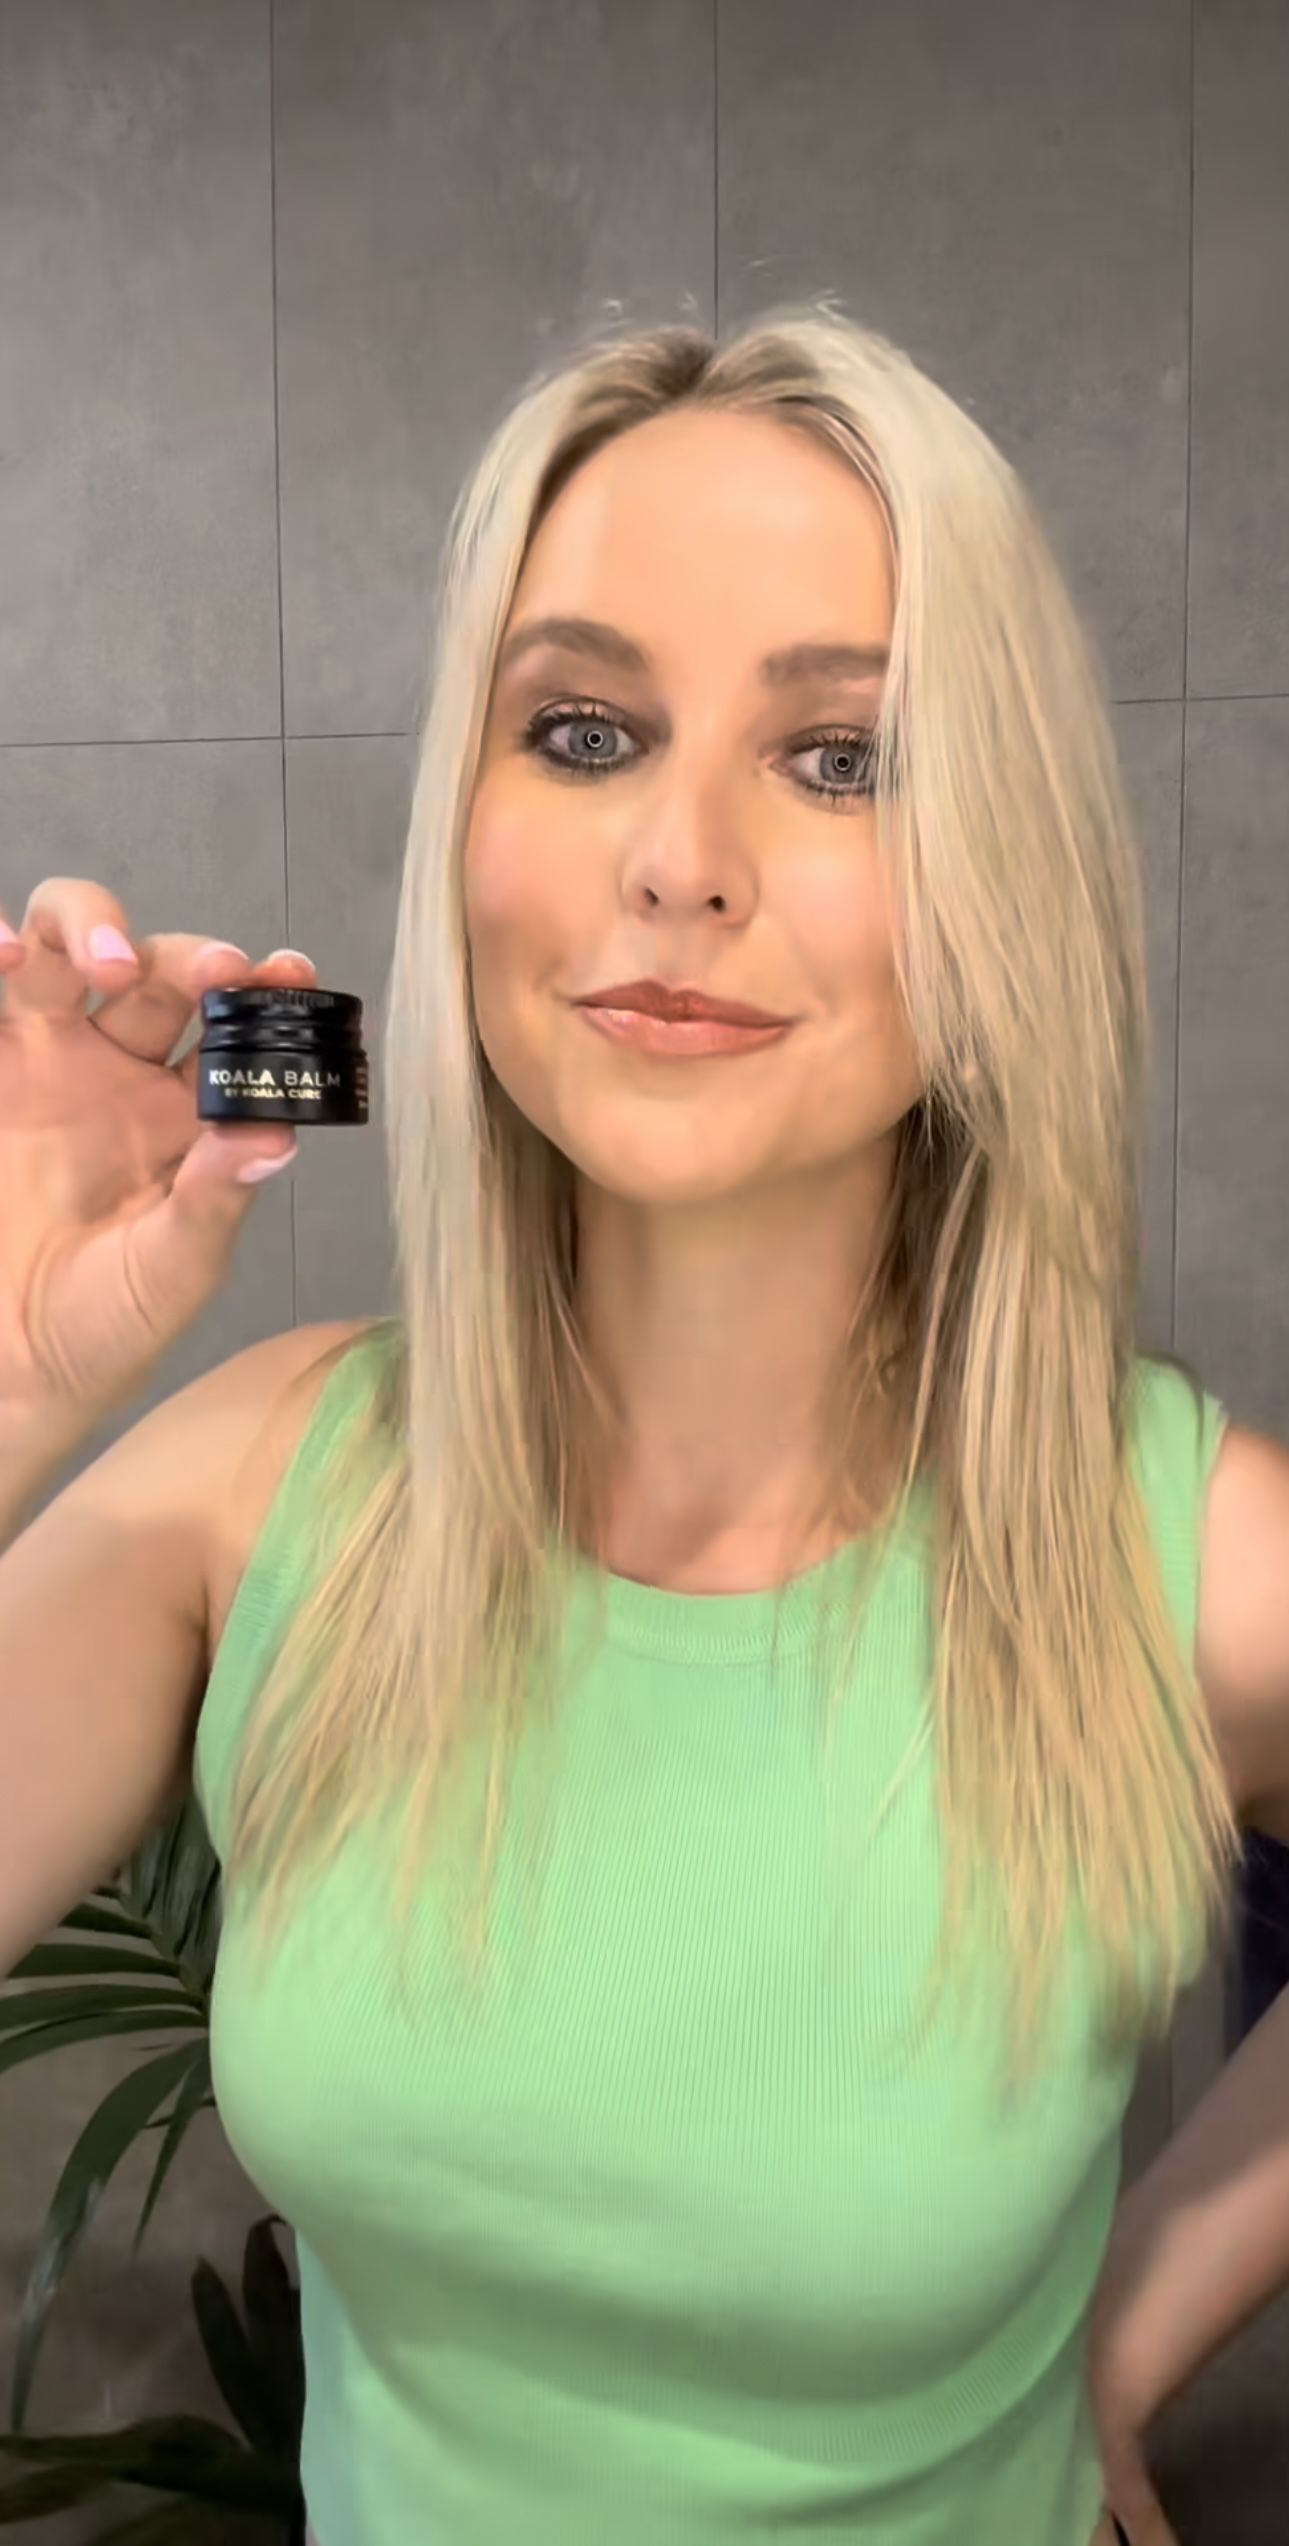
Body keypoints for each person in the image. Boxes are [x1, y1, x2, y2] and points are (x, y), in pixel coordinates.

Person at [2, 304, 1288, 2546]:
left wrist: (1133, 2316)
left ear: (1001, 872)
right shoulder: (252, 1497)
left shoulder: (1179, 1556)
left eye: (841, 758)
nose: (679, 860)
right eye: (582, 731)